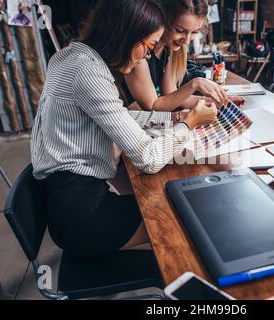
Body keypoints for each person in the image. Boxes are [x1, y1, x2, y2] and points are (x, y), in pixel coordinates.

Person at [30, 0, 217, 256]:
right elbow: (149, 159)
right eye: (149, 47)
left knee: (178, 199)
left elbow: (119, 118)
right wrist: (189, 123)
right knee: (193, 215)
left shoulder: (70, 56)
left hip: (66, 201)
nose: (148, 56)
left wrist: (177, 120)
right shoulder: (89, 74)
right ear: (126, 34)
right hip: (82, 218)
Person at [123, 0, 243, 112]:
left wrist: (221, 102)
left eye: (194, 32)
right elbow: (153, 106)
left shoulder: (169, 50)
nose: (187, 41)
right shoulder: (141, 50)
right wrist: (195, 83)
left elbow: (173, 96)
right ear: (163, 19)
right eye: (180, 30)